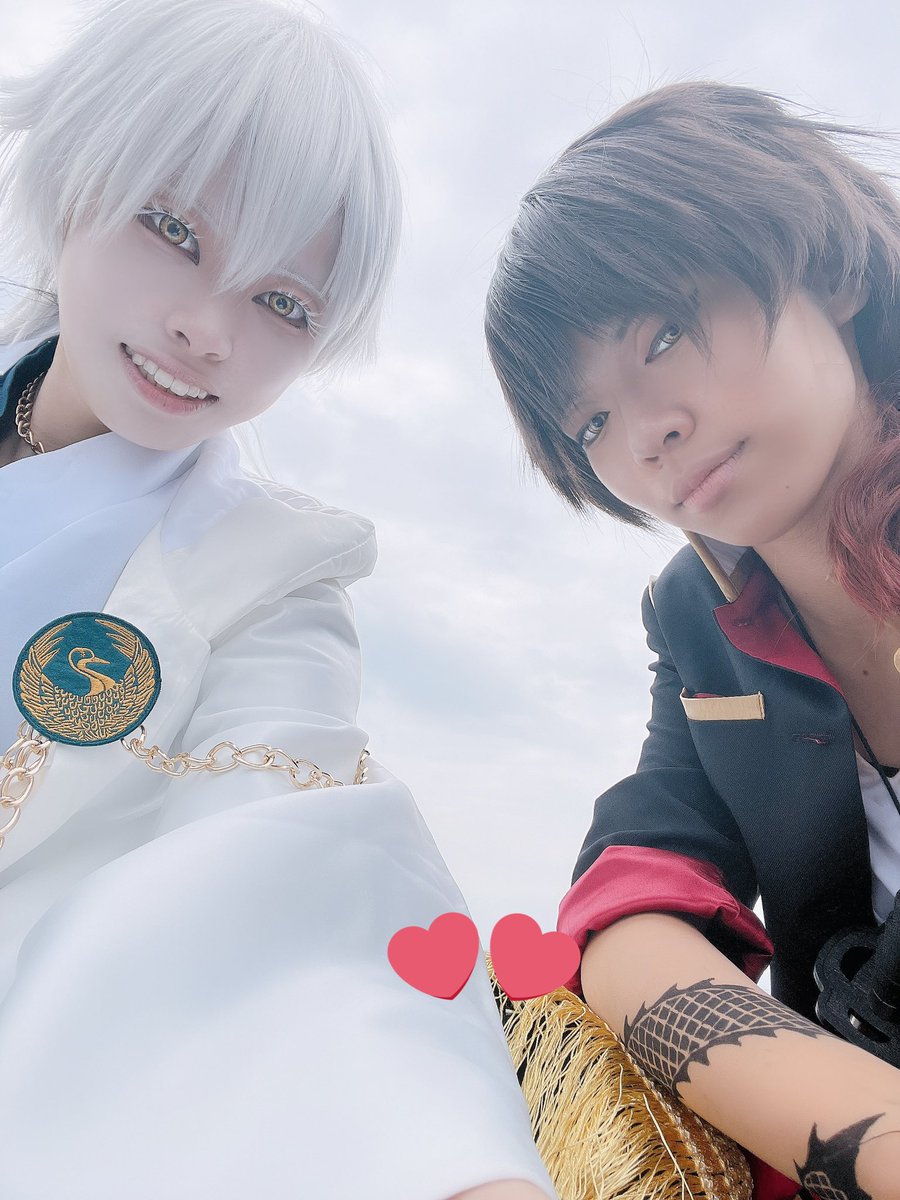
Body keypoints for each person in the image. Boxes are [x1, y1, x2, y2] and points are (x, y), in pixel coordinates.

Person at [0, 2, 557, 1197]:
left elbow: (300, 859)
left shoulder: (272, 576)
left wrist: (443, 1162)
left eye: (285, 304)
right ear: (77, 170)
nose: (209, 331)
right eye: (172, 229)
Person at [484, 81, 900, 1200]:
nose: (647, 435)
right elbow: (637, 901)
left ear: (832, 269)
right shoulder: (700, 621)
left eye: (664, 334)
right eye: (588, 423)